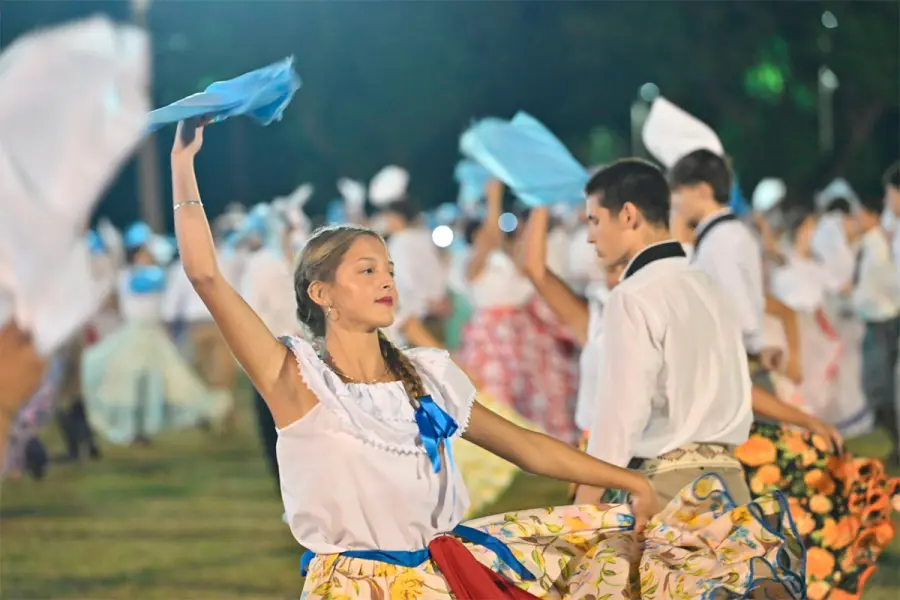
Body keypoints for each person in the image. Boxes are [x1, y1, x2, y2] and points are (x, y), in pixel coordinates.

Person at [171, 124, 805, 599]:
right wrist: (182, 166)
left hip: (439, 581)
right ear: (321, 293)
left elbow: (527, 446)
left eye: (389, 269)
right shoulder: (296, 379)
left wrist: (632, 482)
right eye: (366, 270)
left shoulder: (427, 376)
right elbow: (205, 275)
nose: (386, 279)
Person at [542, 159, 754, 507]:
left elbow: (619, 420)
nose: (591, 236)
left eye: (595, 220)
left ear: (628, 215)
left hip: (668, 492)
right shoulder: (706, 283)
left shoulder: (633, 295)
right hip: (730, 485)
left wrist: (583, 505)